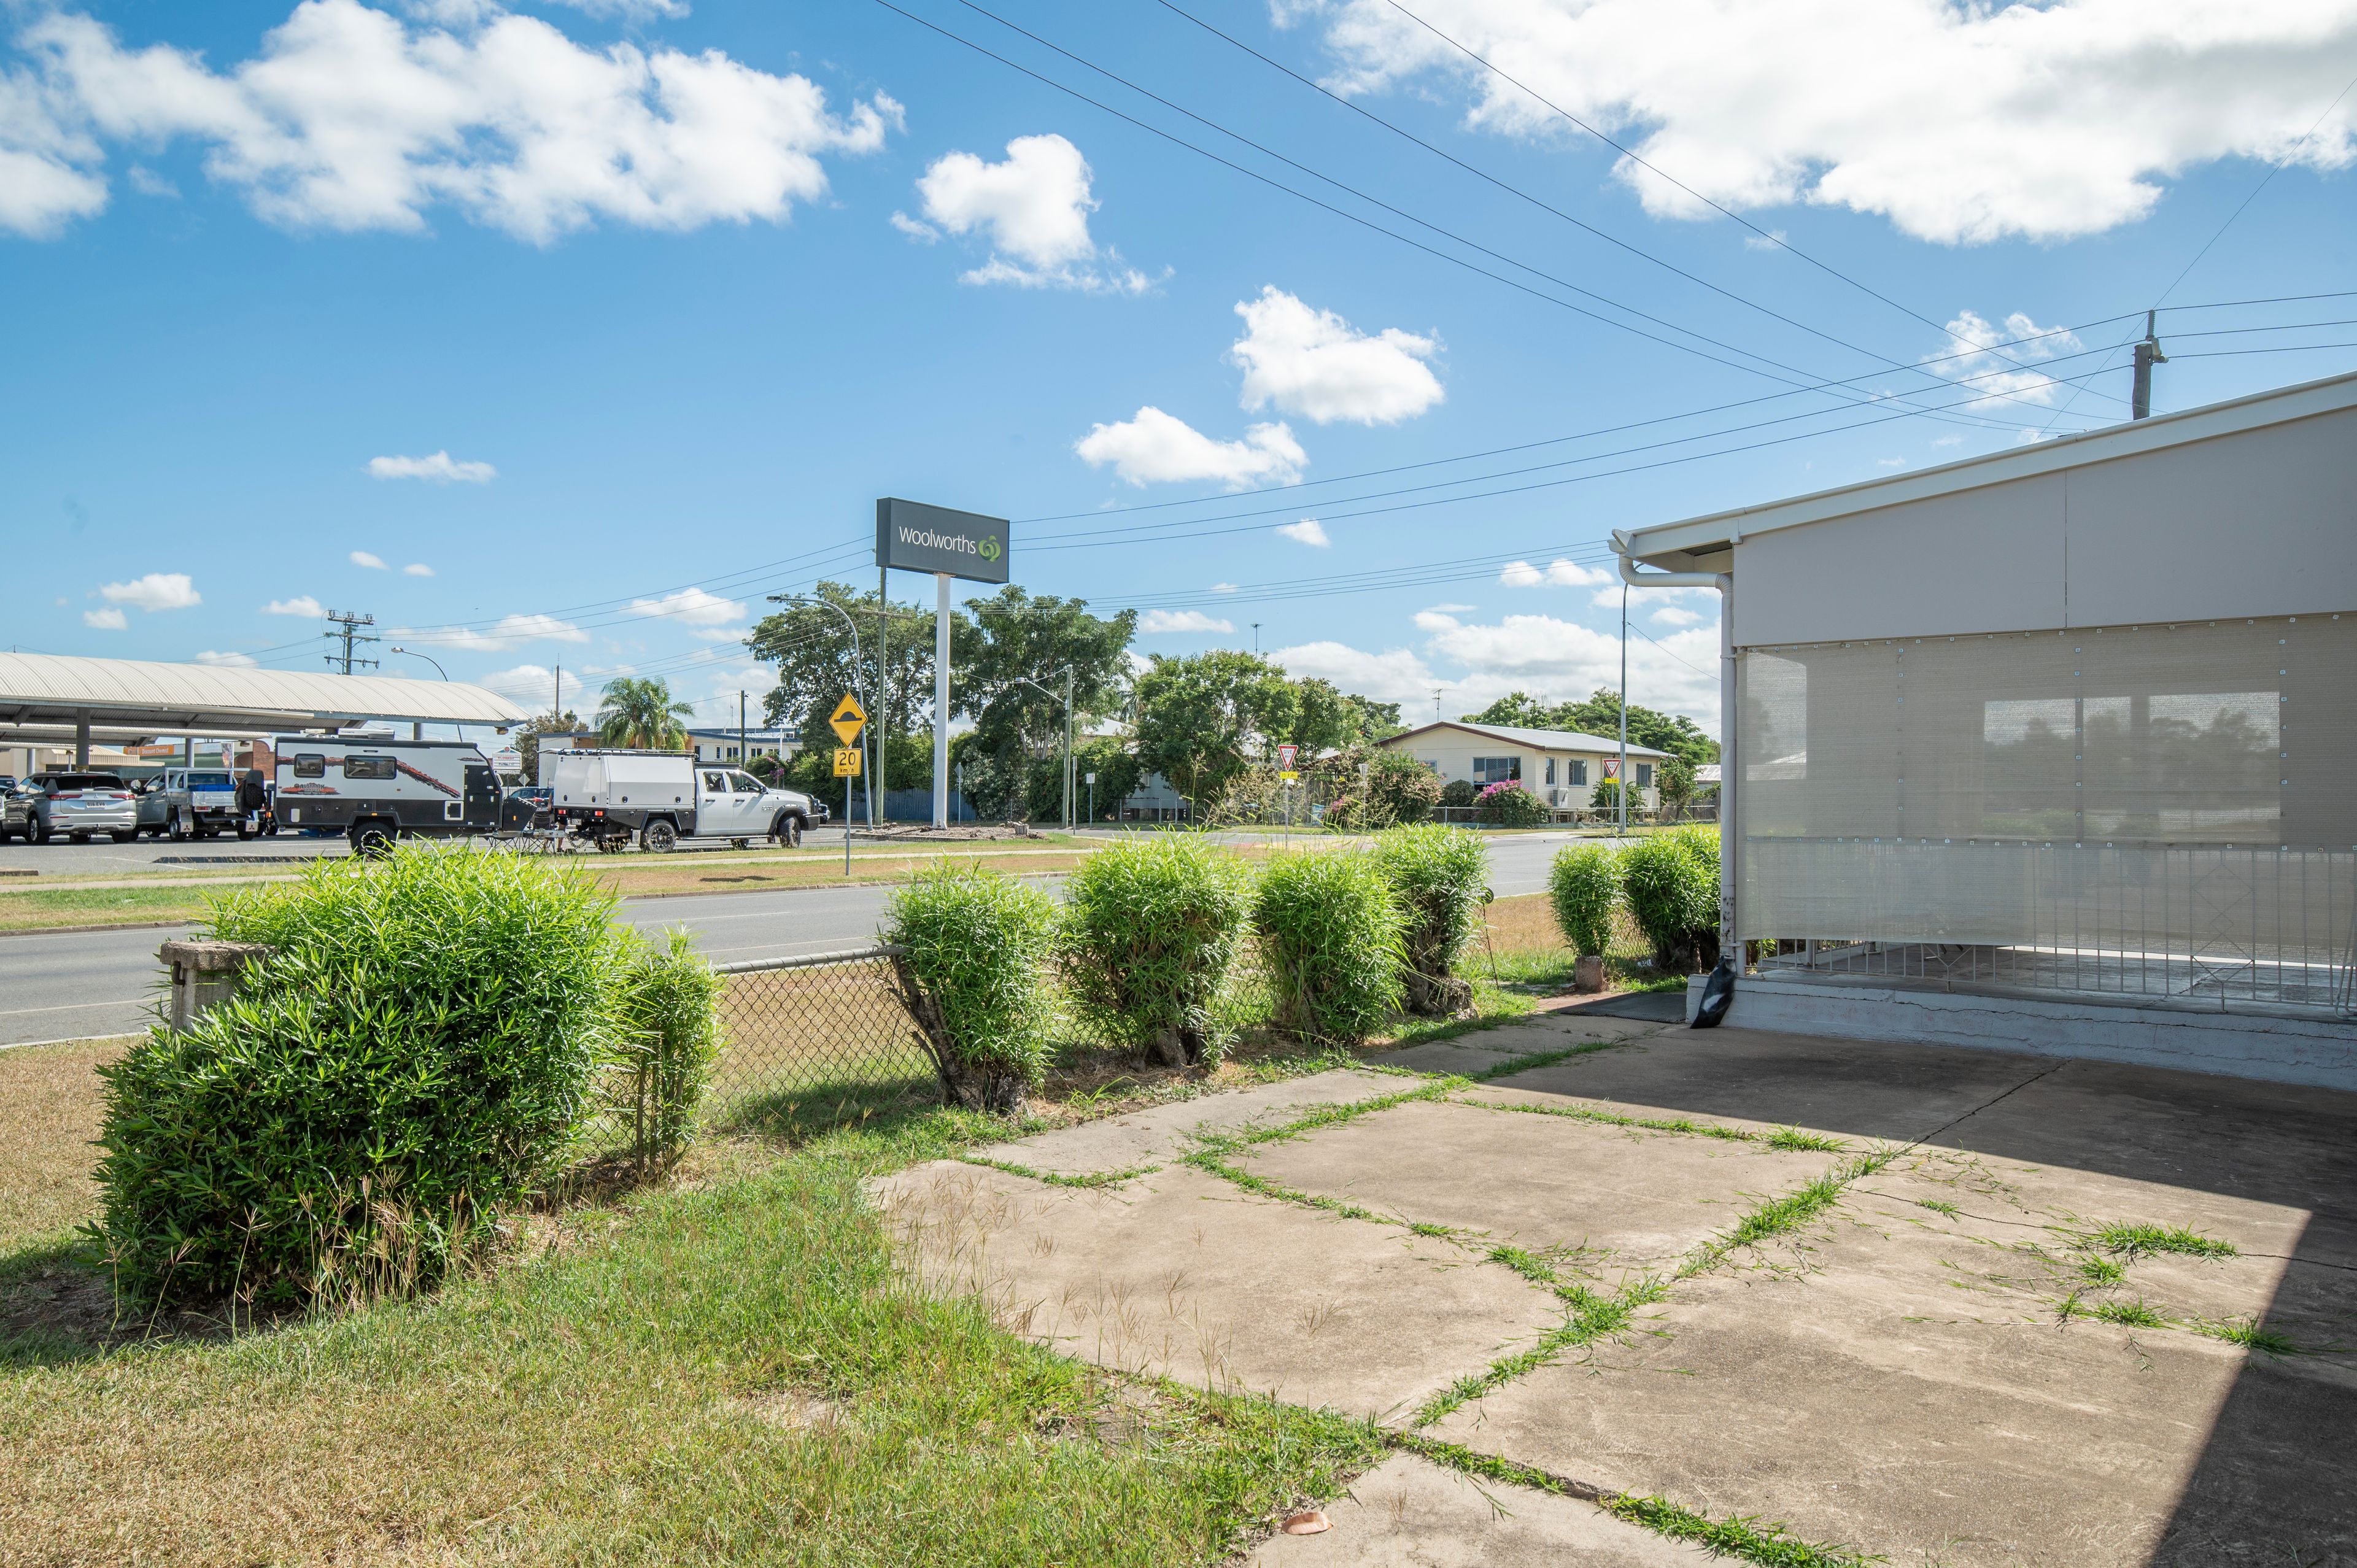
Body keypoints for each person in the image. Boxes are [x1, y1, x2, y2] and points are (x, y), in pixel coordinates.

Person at [236, 767, 271, 838]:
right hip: (250, 805)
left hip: (248, 804)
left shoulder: (246, 785)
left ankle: (250, 832)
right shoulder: (255, 787)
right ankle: (249, 833)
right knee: (253, 816)